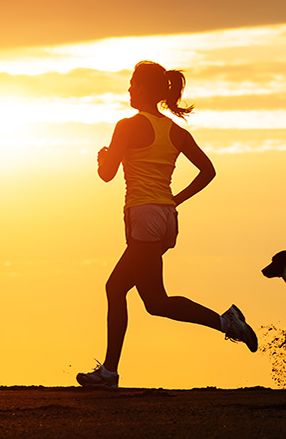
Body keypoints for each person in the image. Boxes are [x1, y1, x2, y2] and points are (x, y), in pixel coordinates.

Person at [76, 61, 257, 389]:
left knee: (127, 292)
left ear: (143, 87)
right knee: (149, 300)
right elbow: (208, 171)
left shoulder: (126, 126)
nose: (129, 89)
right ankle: (225, 322)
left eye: (132, 83)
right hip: (165, 220)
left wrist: (102, 158)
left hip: (144, 217)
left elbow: (106, 175)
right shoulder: (176, 132)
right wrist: (175, 200)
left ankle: (110, 372)